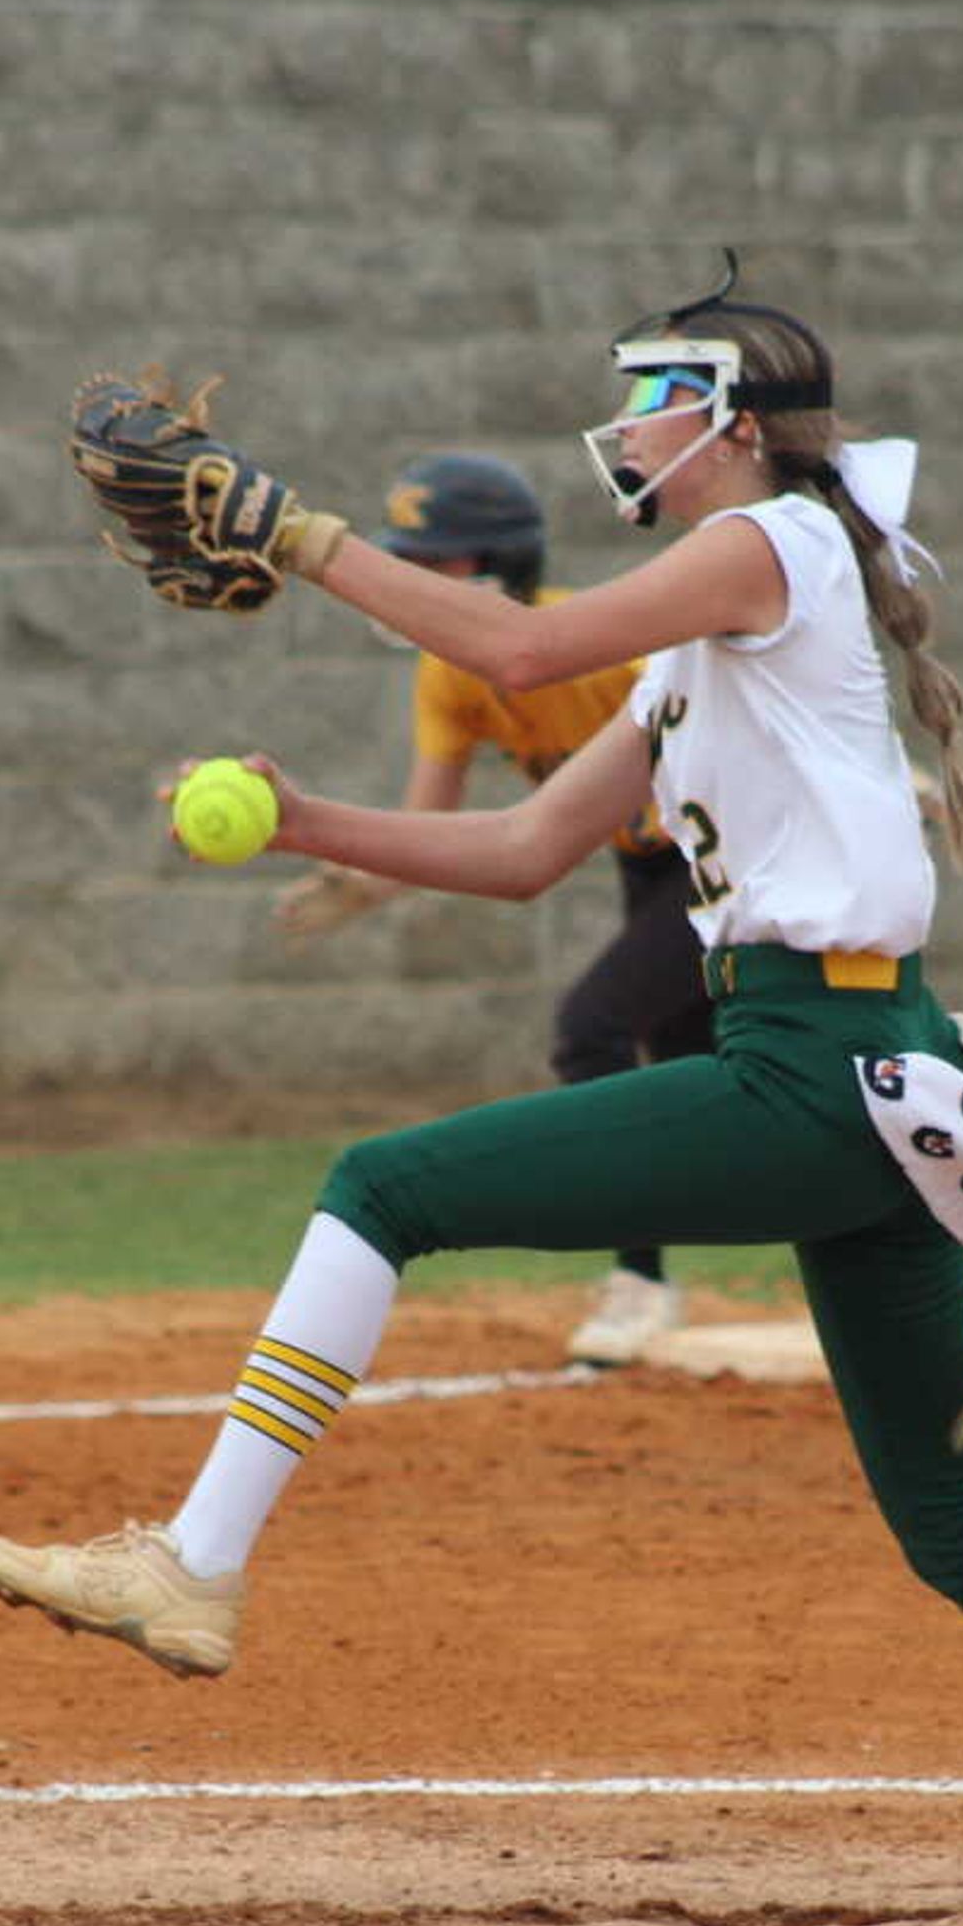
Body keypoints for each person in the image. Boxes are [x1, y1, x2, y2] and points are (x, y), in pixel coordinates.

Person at [0, 271, 963, 1904]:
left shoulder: (777, 542)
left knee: (384, 1186)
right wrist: (314, 824)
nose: (625, 420)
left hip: (817, 1069)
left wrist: (296, 529)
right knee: (962, 1536)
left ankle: (196, 1563)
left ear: (729, 420)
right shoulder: (702, 644)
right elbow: (526, 853)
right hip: (865, 1082)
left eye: (652, 392)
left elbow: (514, 638)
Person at [271, 450, 709, 1366]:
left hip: (734, 862)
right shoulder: (450, 675)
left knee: (595, 1029)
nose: (413, 585)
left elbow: (743, 694)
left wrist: (882, 777)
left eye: (434, 564)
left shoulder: (590, 644)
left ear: (493, 567)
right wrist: (354, 883)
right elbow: (429, 823)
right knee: (690, 1062)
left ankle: (639, 1283)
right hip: (651, 871)